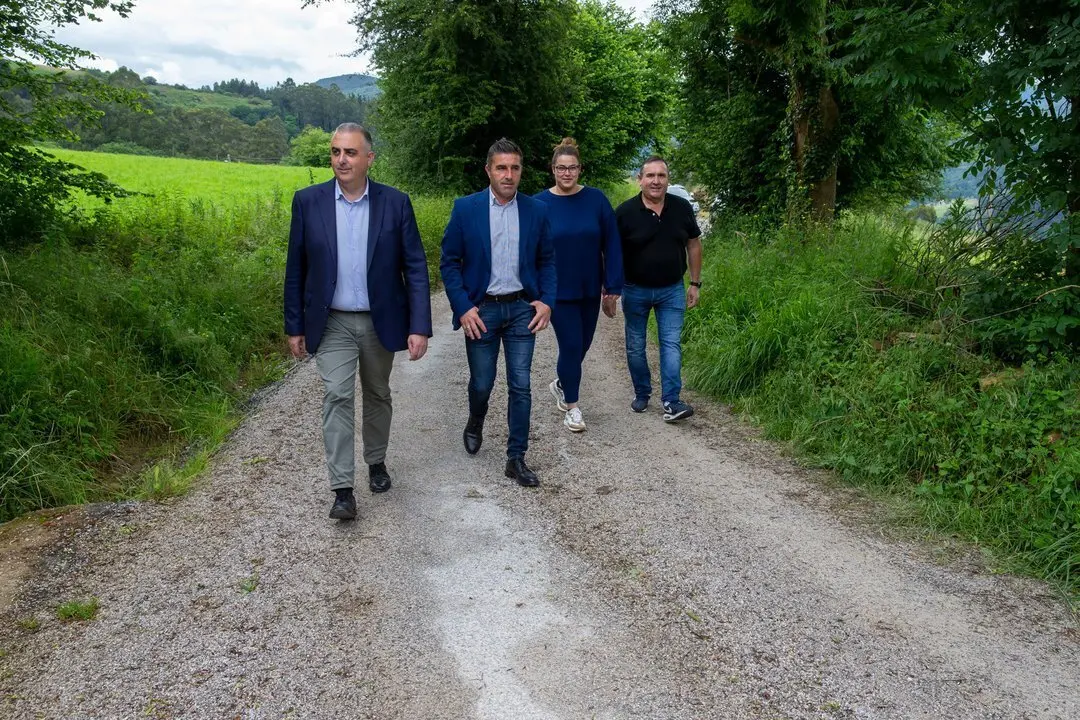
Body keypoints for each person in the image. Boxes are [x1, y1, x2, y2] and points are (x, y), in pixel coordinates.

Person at [284, 123, 432, 520]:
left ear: (369, 158)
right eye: (336, 152)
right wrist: (294, 325)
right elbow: (296, 269)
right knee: (337, 395)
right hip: (331, 321)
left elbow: (415, 268)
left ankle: (376, 460)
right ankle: (342, 489)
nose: (341, 160)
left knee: (378, 392)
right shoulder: (308, 202)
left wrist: (419, 325)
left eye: (350, 152)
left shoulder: (395, 203)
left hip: (379, 319)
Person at [440, 138, 556, 487]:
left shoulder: (536, 210)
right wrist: (463, 307)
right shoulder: (466, 209)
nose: (508, 175)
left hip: (522, 309)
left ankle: (516, 457)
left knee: (521, 384)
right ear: (488, 170)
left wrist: (547, 301)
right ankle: (476, 419)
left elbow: (547, 260)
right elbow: (449, 262)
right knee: (482, 382)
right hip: (482, 310)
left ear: (521, 171)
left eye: (514, 168)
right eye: (501, 168)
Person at [534, 137, 623, 433]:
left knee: (582, 345)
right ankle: (572, 407)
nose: (567, 173)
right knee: (571, 345)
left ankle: (562, 383)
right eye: (561, 168)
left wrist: (612, 287)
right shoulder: (539, 204)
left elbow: (612, 243)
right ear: (552, 169)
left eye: (572, 168)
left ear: (580, 169)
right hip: (557, 291)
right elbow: (529, 250)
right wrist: (534, 291)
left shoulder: (596, 200)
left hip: (589, 288)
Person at [615, 155, 702, 423]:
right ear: (640, 180)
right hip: (635, 289)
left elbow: (693, 244)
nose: (656, 181)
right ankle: (642, 392)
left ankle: (671, 401)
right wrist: (609, 288)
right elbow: (611, 253)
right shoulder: (625, 212)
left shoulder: (682, 208)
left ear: (668, 180)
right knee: (635, 346)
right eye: (650, 176)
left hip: (671, 289)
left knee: (671, 344)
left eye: (661, 176)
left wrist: (695, 283)